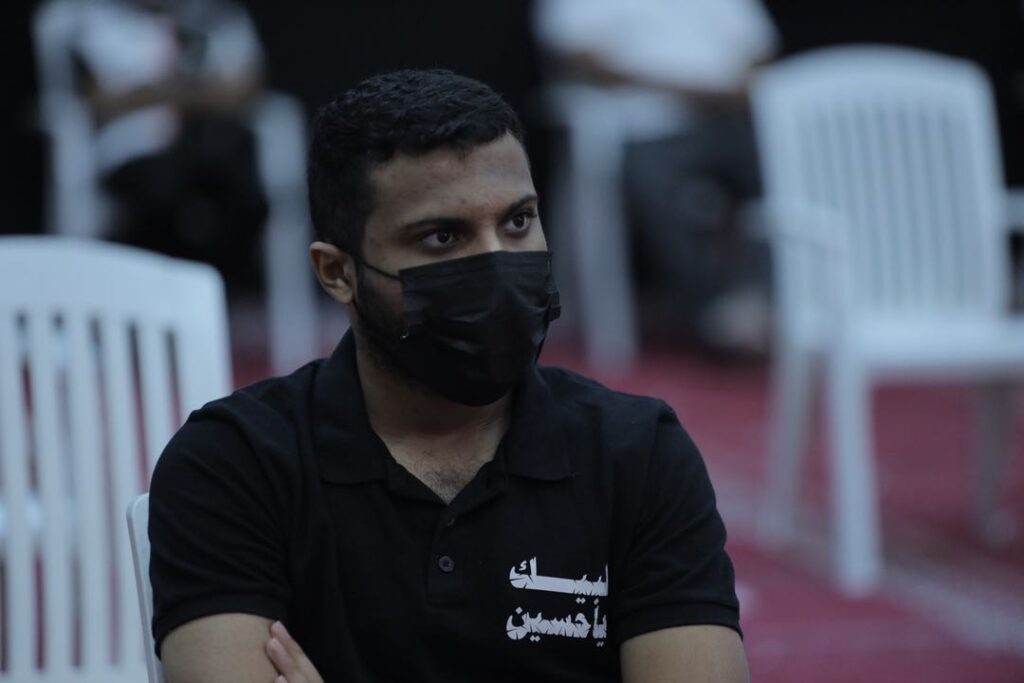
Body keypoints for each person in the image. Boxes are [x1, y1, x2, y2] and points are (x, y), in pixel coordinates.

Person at [149, 68, 748, 682]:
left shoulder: (638, 454)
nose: (497, 266)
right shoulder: (234, 462)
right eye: (441, 237)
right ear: (337, 273)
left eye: (517, 222)